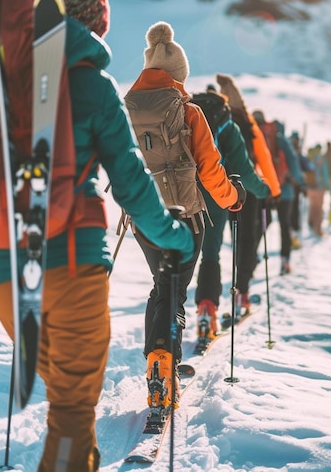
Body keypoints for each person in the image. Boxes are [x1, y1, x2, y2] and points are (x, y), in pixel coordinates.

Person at [0, 0, 195, 472]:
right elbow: (130, 183)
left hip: (0, 271)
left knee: (66, 397)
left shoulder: (0, 80)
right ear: (97, 23)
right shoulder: (92, 85)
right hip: (71, 262)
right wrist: (174, 236)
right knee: (72, 410)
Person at [124, 24, 245, 407]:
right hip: (186, 218)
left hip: (143, 218)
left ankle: (155, 365)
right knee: (173, 292)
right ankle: (164, 367)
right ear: (179, 74)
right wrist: (233, 198)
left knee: (161, 288)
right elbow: (211, 171)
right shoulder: (189, 111)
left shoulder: (127, 108)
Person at [193, 86, 270, 338]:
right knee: (210, 254)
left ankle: (170, 321)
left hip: (182, 194)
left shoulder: (187, 114)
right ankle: (207, 310)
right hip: (215, 194)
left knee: (179, 256)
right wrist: (262, 190)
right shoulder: (228, 124)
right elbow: (244, 170)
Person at [215, 74, 281, 309]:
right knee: (248, 238)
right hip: (250, 187)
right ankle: (243, 289)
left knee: (233, 239)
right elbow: (262, 157)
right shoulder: (247, 123)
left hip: (220, 185)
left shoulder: (217, 119)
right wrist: (272, 190)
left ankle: (234, 289)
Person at [253, 113, 305, 275]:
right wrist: (297, 181)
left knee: (262, 223)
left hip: (264, 190)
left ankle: (251, 259)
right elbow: (294, 164)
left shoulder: (259, 136)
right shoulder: (282, 140)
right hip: (285, 191)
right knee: (284, 225)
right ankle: (285, 261)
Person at [289, 130, 313, 247]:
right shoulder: (296, 154)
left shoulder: (288, 151)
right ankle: (292, 239)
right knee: (294, 213)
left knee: (291, 213)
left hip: (290, 187)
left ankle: (291, 239)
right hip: (295, 187)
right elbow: (308, 167)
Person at [306, 144, 331, 237]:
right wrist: (328, 186)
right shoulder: (321, 160)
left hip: (310, 187)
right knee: (319, 208)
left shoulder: (309, 159)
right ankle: (318, 229)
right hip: (319, 187)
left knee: (312, 206)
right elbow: (325, 174)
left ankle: (311, 223)